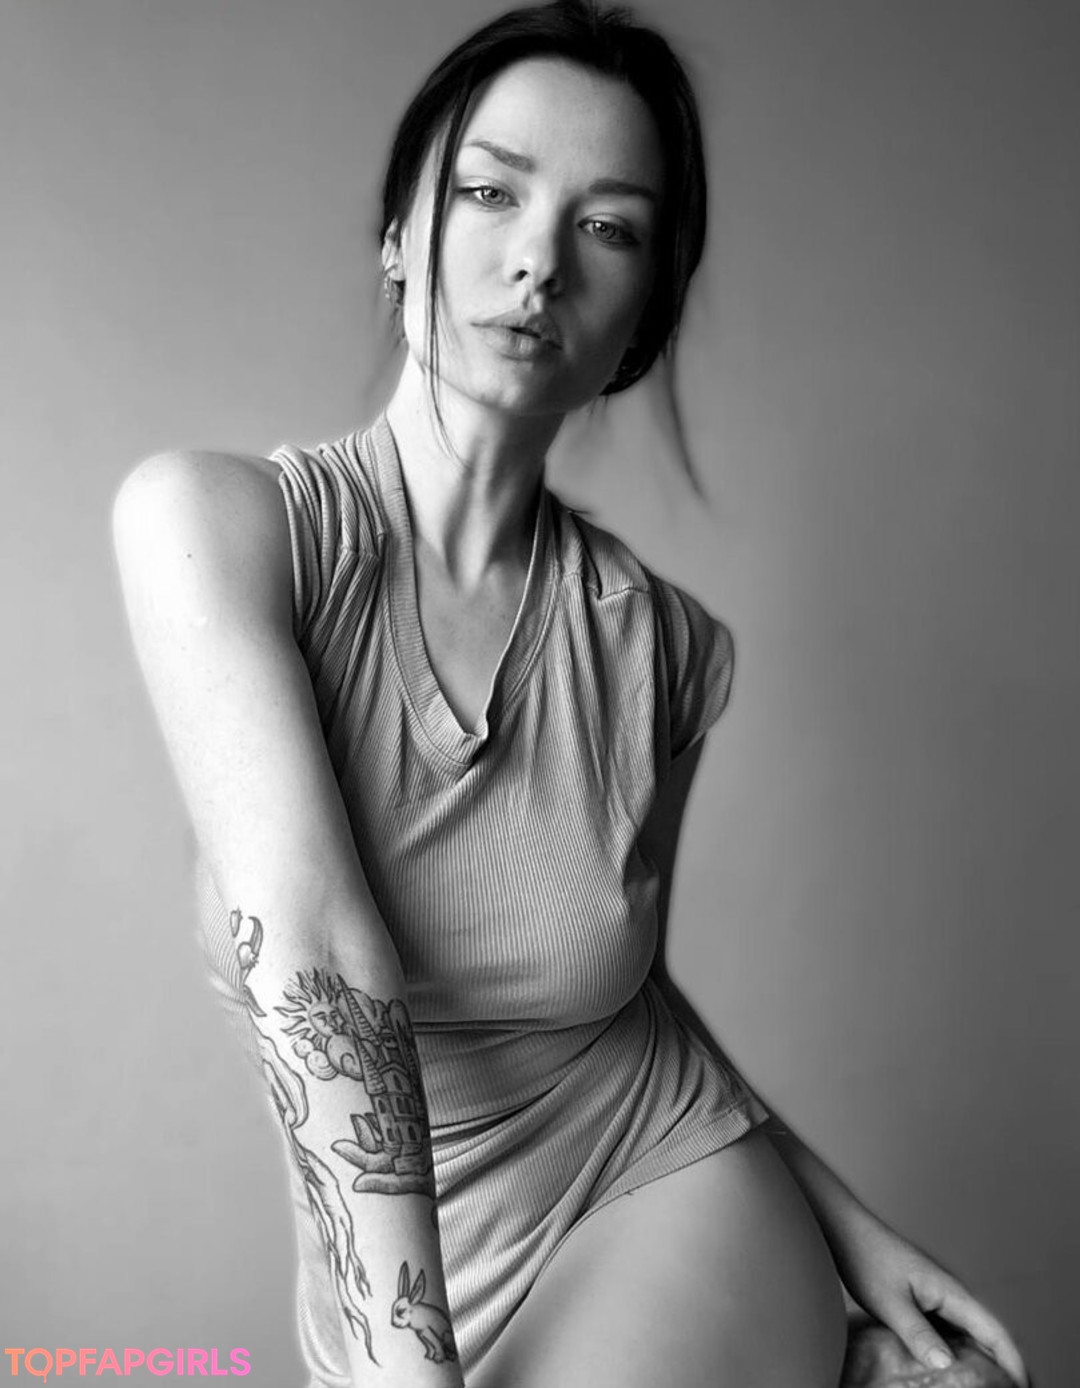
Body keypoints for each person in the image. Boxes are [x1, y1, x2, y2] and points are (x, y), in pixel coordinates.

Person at [111, 3, 1030, 1386]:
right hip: (399, 1297)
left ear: (644, 320)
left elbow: (628, 998)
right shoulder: (219, 527)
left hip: (661, 1213)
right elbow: (311, 952)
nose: (539, 259)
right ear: (400, 238)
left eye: (608, 227)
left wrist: (842, 1227)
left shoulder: (666, 650)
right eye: (489, 193)